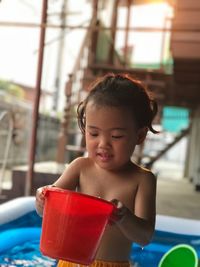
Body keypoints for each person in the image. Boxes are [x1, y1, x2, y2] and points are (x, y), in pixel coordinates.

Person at [35, 73, 158, 267]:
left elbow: (144, 237)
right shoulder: (80, 167)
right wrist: (42, 199)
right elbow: (47, 211)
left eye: (116, 136)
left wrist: (124, 218)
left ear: (140, 135)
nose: (103, 144)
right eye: (93, 133)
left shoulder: (142, 180)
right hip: (70, 262)